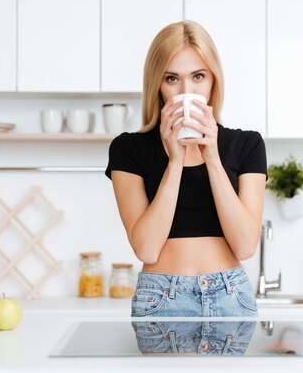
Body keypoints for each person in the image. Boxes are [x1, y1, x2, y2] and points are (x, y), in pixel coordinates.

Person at [105, 20, 267, 317]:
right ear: (157, 84)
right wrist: (175, 160)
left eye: (198, 76)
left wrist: (213, 158)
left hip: (230, 296)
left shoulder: (247, 145)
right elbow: (146, 249)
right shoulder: (128, 149)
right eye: (171, 79)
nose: (186, 90)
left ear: (213, 81)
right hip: (160, 297)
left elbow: (245, 246)